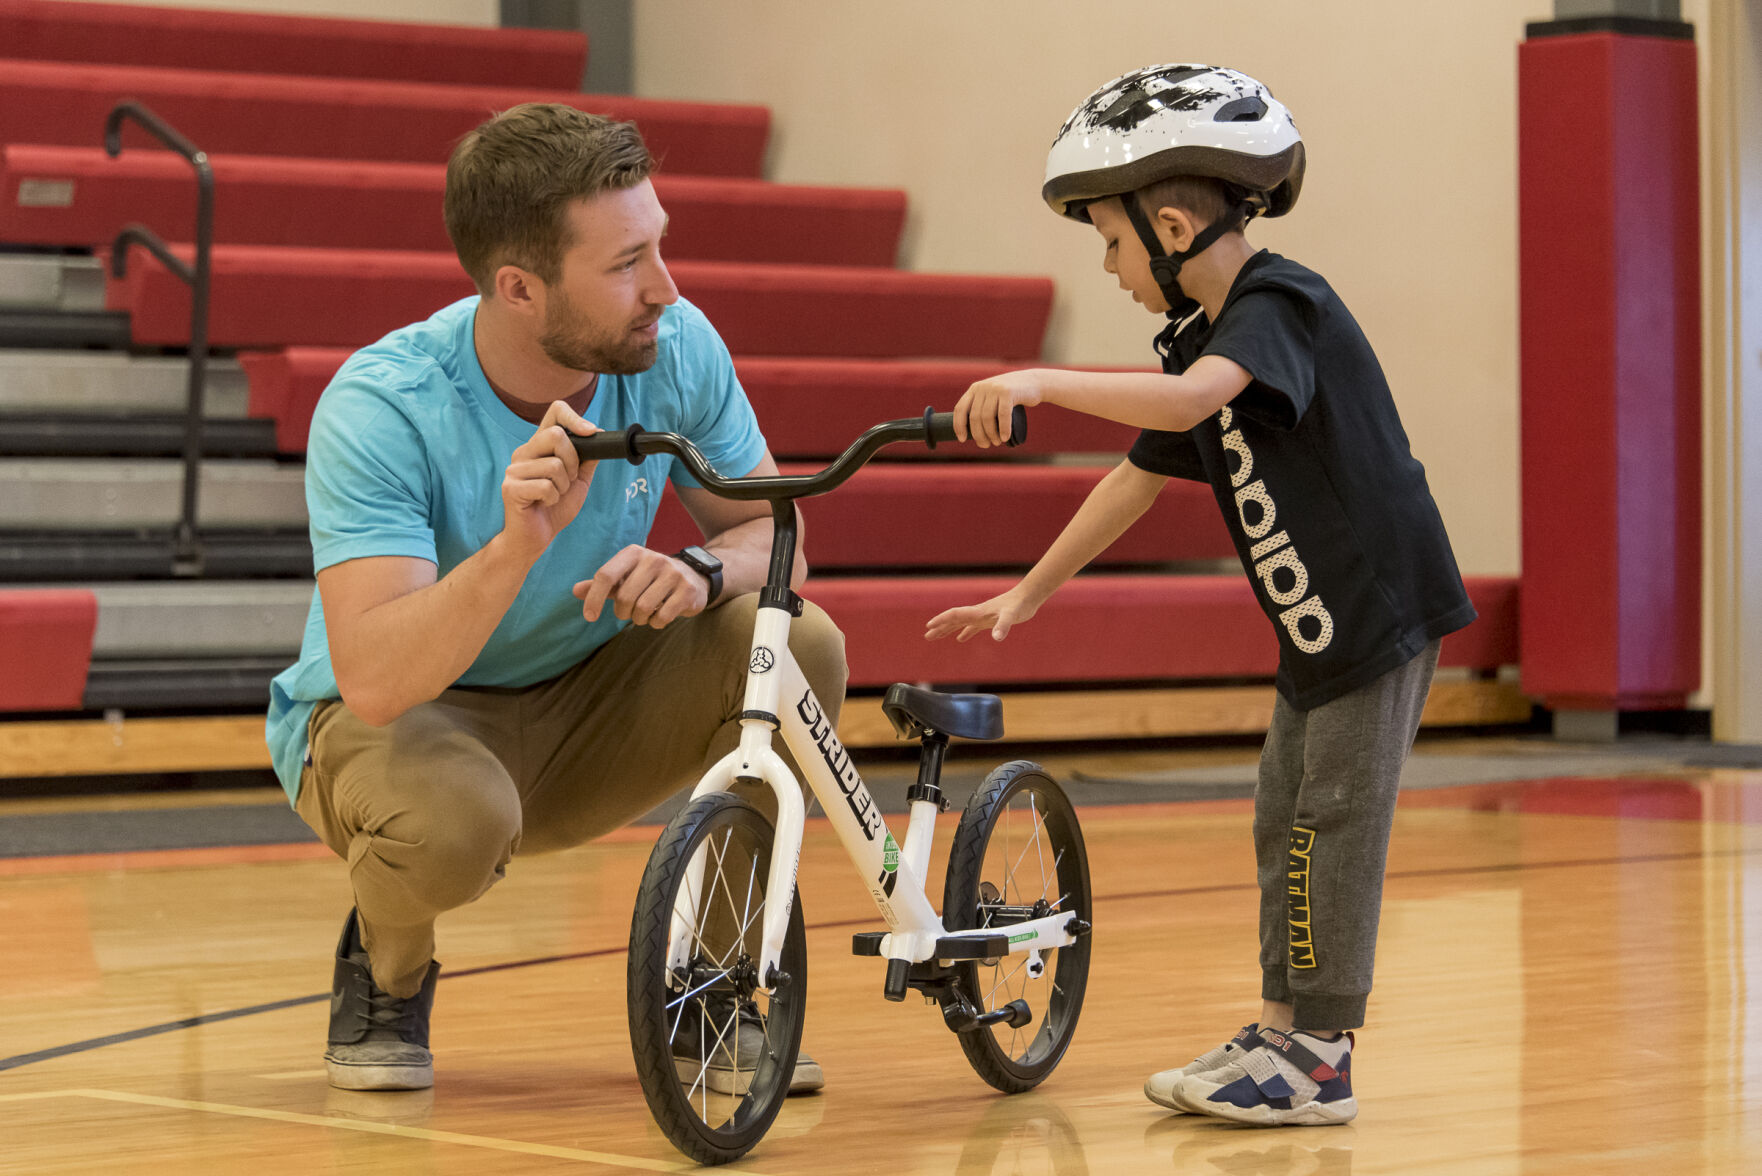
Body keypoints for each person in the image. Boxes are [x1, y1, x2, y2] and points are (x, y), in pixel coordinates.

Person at [929, 65, 1476, 1127]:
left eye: (1111, 241)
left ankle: (1318, 1057)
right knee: (1283, 819)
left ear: (1172, 222)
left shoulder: (1277, 306)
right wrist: (1027, 593)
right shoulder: (1204, 341)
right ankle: (1281, 1032)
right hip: (1317, 633)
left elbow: (1188, 403)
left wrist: (1038, 382)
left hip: (1375, 618)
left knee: (1329, 825)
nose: (1110, 265)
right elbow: (1136, 477)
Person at [264, 102, 845, 1097]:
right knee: (452, 823)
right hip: (408, 721)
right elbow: (373, 679)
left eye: (659, 247)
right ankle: (387, 973)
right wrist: (513, 545)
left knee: (793, 644)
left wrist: (701, 573)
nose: (665, 288)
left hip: (584, 702)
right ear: (519, 288)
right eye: (627, 265)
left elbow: (773, 537)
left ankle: (712, 983)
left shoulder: (675, 344)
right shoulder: (383, 404)